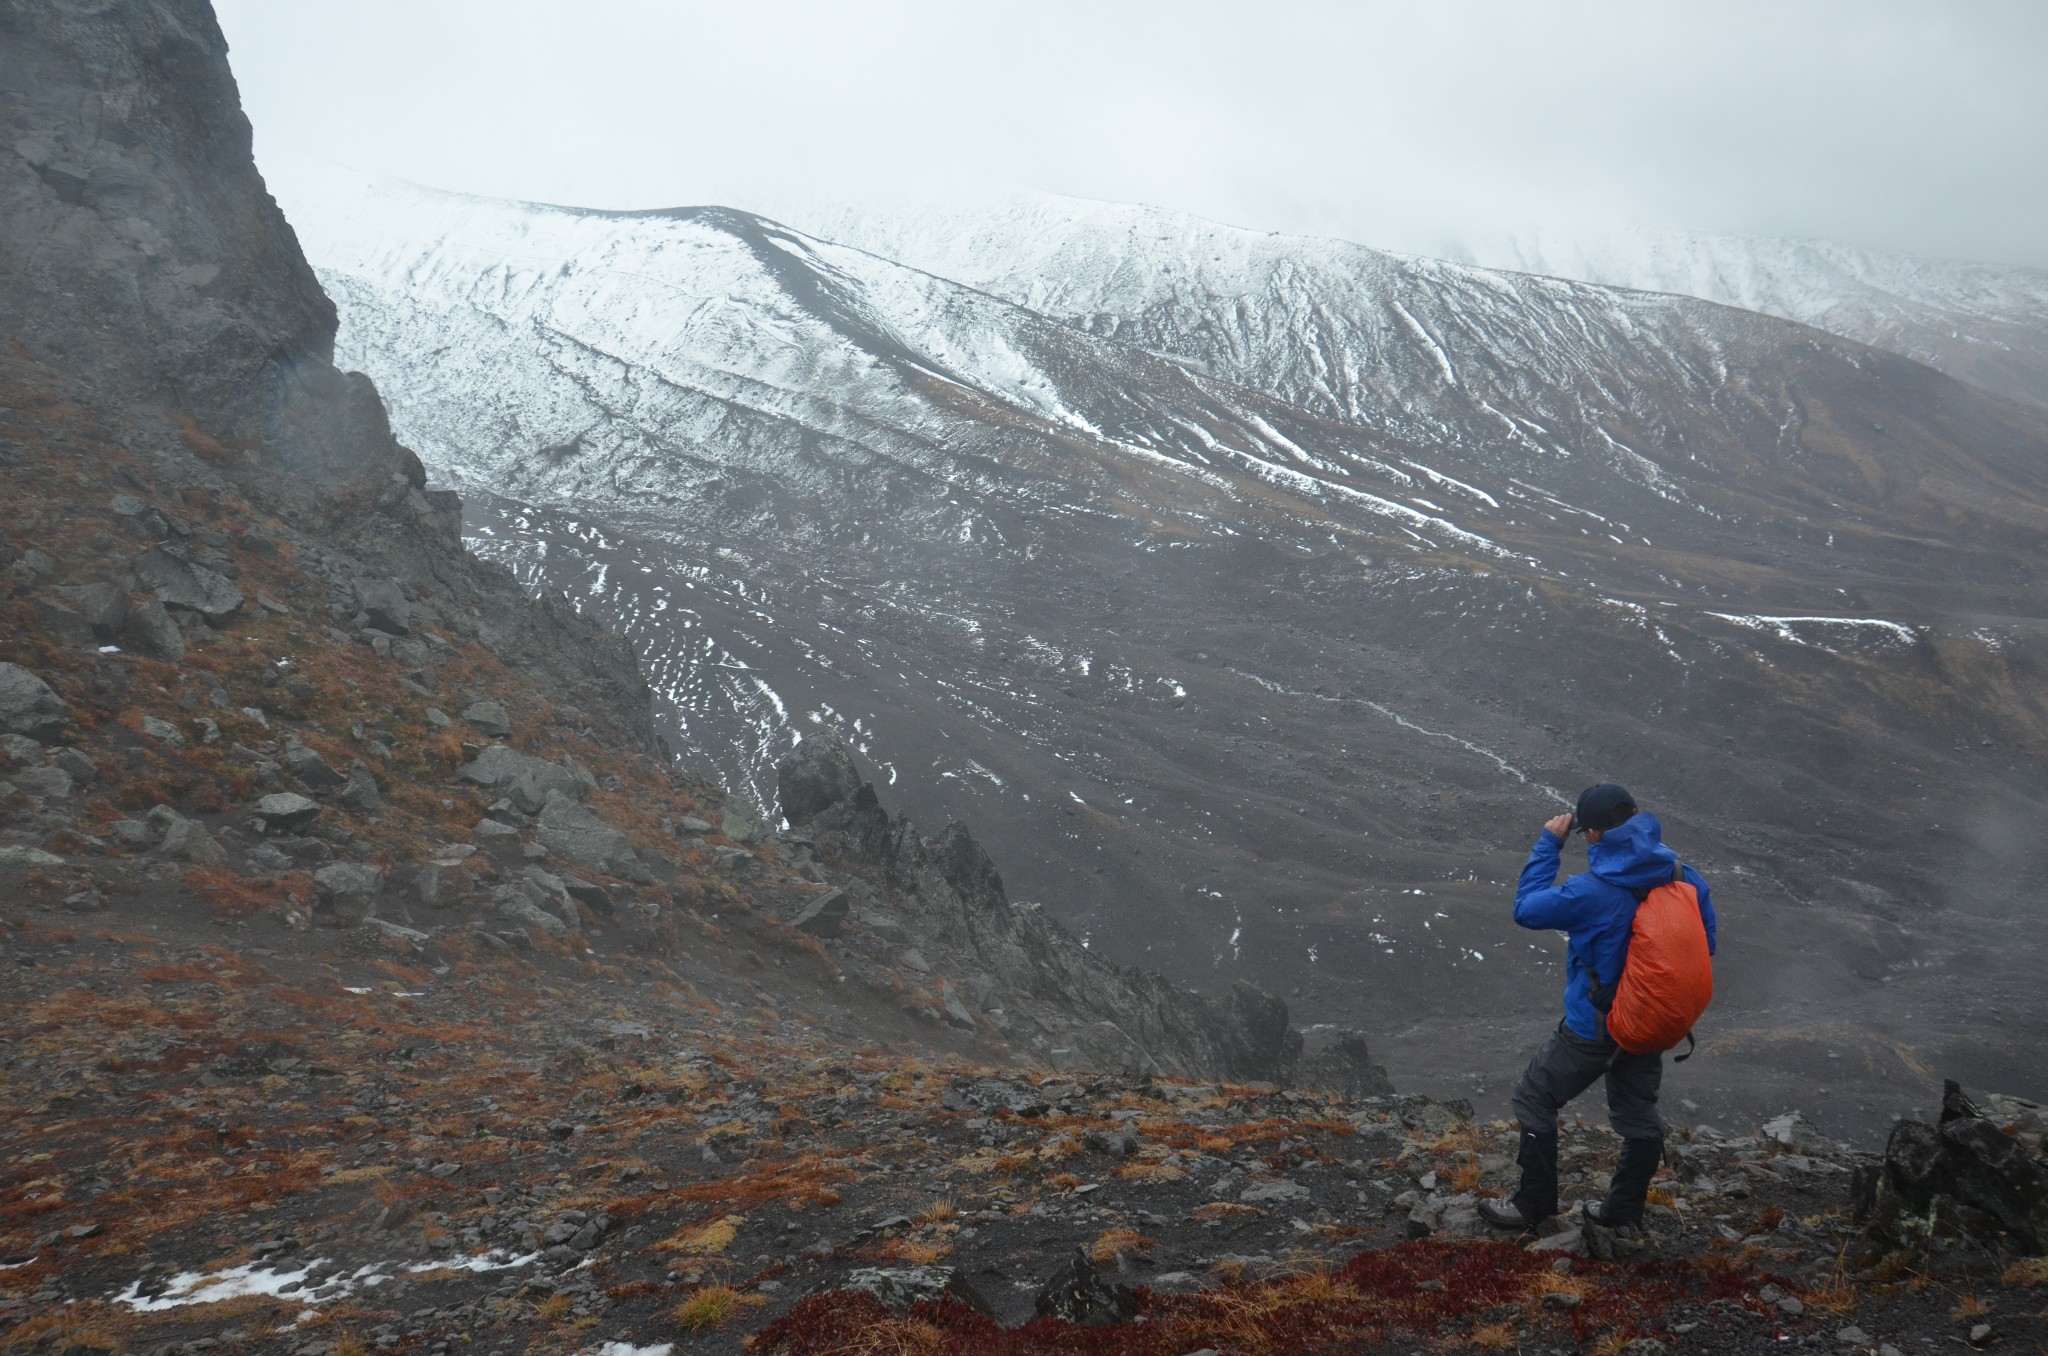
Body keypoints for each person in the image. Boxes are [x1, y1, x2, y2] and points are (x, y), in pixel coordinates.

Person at [1477, 783, 1716, 1232]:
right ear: (1639, 815)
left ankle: (1534, 1206)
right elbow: (1708, 945)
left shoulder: (1591, 892)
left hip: (1594, 1027)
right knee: (1636, 1118)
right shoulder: (1685, 878)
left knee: (1535, 1097)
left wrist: (1550, 843)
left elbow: (1526, 909)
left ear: (1591, 835)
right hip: (1648, 1025)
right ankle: (1622, 1215)